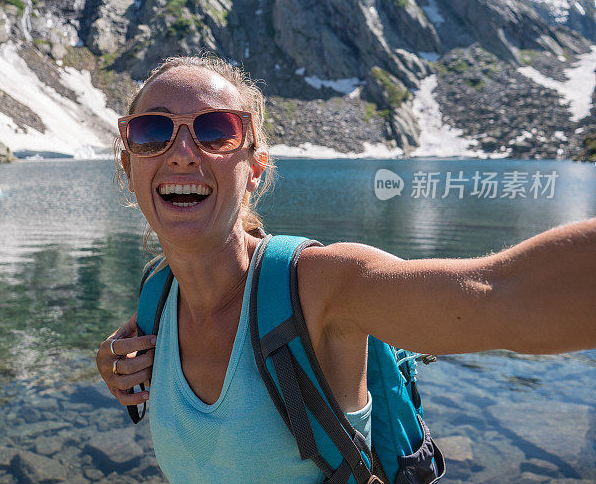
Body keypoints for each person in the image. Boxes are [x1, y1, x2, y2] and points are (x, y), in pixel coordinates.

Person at [96, 55, 596, 483]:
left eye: (216, 131)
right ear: (128, 165)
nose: (182, 153)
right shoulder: (156, 298)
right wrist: (114, 365)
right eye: (153, 131)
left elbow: (499, 295)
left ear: (255, 170)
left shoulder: (323, 287)